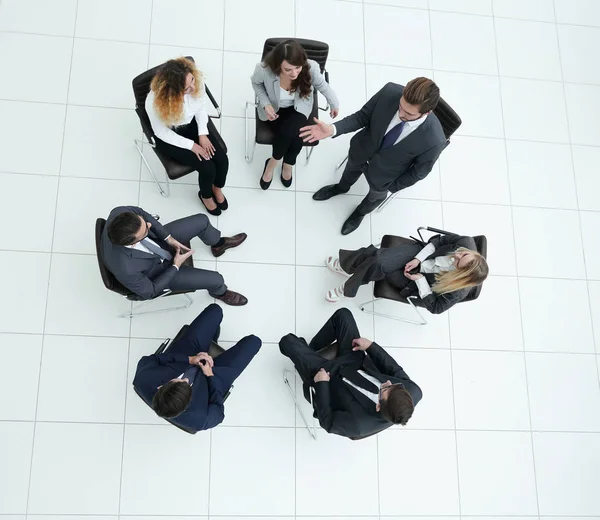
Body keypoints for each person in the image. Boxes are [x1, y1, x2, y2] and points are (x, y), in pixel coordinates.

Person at [299, 78, 446, 235]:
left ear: (427, 113)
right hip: (362, 149)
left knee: (373, 199)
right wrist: (333, 129)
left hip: (385, 177)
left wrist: (392, 187)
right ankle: (341, 187)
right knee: (349, 171)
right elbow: (362, 117)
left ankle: (359, 214)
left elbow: (419, 172)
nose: (400, 113)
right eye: (401, 106)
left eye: (408, 113)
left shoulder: (434, 140)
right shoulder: (390, 92)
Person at [279, 308, 421, 439]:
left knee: (287, 342)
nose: (388, 382)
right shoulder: (412, 392)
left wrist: (321, 384)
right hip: (356, 363)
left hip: (329, 380)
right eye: (394, 385)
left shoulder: (358, 425)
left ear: (378, 406)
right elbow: (394, 370)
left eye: (385, 389)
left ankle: (304, 352)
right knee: (343, 315)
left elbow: (327, 422)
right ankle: (310, 349)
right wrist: (371, 347)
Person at [133, 303, 262, 432]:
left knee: (215, 311)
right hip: (213, 380)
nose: (186, 380)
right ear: (186, 405)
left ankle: (211, 339)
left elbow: (154, 359)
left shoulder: (143, 379)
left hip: (184, 356)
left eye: (181, 380)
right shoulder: (199, 420)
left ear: (160, 387)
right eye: (187, 384)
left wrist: (189, 359)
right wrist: (210, 376)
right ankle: (212, 341)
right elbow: (218, 411)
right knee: (254, 342)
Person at [101, 205, 248, 306]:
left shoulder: (119, 212)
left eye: (144, 223)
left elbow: (142, 213)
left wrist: (168, 238)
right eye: (145, 230)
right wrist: (176, 265)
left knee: (201, 220)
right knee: (217, 279)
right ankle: (220, 293)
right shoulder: (125, 269)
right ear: (134, 243)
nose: (150, 225)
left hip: (158, 242)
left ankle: (218, 244)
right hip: (159, 272)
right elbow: (150, 291)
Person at [251, 39, 340, 190]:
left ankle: (273, 163)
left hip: (299, 107)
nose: (294, 73)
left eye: (297, 68)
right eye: (287, 70)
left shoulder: (310, 67)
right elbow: (256, 83)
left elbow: (322, 86)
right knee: (296, 135)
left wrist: (334, 103)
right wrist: (265, 103)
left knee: (291, 133)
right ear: (278, 65)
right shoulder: (264, 69)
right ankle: (287, 164)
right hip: (275, 109)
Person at [325, 232, 488, 314]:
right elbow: (438, 241)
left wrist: (420, 279)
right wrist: (418, 259)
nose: (457, 255)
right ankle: (348, 285)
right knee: (379, 261)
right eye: (464, 254)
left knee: (378, 259)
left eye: (459, 261)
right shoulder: (465, 243)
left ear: (460, 275)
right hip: (420, 255)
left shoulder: (458, 291)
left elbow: (436, 308)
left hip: (413, 282)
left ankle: (348, 268)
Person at [146, 57, 228, 216]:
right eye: (186, 88)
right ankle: (205, 196)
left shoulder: (196, 80)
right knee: (207, 167)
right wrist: (192, 145)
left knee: (222, 159)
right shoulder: (155, 101)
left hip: (192, 125)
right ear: (173, 91)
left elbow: (200, 107)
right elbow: (161, 132)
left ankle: (216, 188)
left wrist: (202, 134)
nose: (193, 87)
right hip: (170, 135)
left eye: (192, 80)